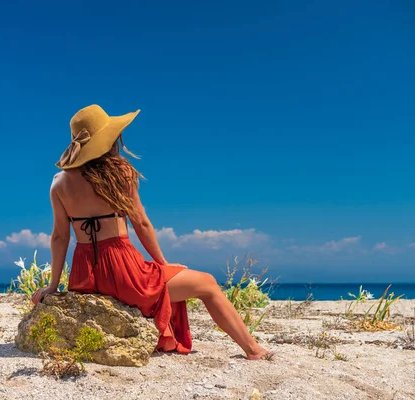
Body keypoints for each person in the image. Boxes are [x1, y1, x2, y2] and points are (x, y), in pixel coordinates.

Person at [31, 104, 273, 360]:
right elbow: (141, 223)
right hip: (124, 272)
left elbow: (60, 237)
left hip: (84, 277)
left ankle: (250, 349)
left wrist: (53, 285)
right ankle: (254, 350)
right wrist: (163, 264)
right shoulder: (120, 173)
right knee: (208, 284)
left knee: (190, 281)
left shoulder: (59, 183)